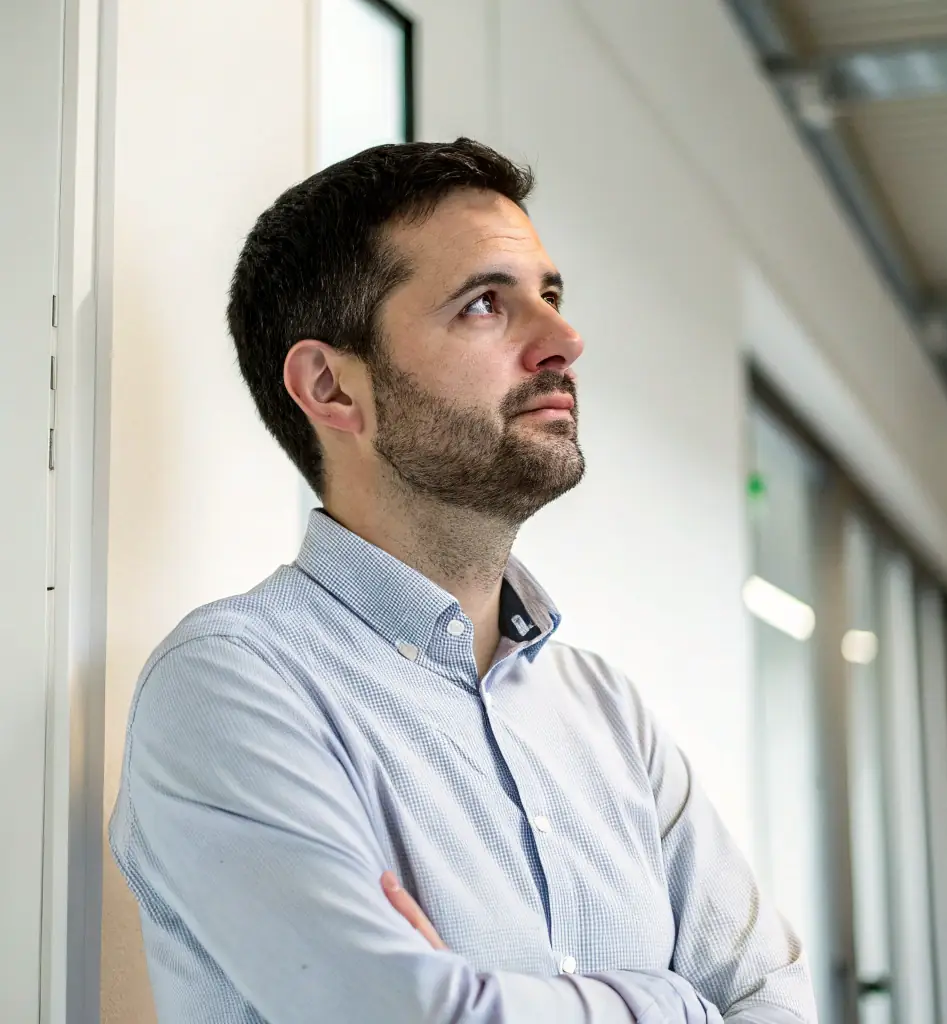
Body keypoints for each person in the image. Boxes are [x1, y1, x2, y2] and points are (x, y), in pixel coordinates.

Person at [109, 138, 817, 1024]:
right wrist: (675, 1002)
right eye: (486, 304)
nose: (564, 340)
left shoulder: (607, 714)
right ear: (331, 387)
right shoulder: (230, 685)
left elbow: (775, 1004)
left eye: (550, 296)